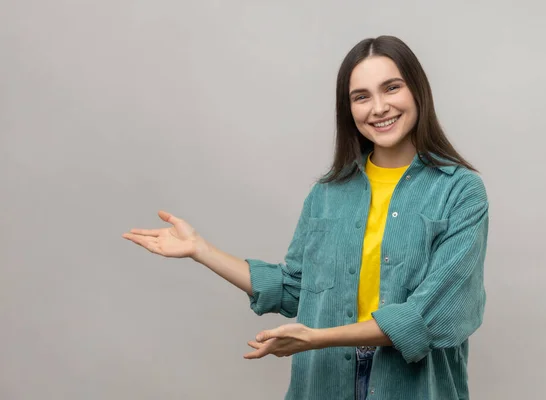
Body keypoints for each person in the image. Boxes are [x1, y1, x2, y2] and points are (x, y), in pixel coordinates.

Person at [122, 35, 489, 400]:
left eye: (391, 88)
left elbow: (428, 316)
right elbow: (295, 288)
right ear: (348, 110)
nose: (378, 108)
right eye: (361, 97)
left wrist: (317, 338)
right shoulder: (327, 194)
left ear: (417, 92)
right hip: (324, 383)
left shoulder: (460, 191)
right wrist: (200, 250)